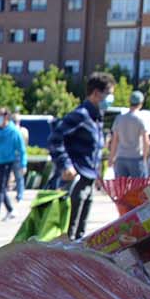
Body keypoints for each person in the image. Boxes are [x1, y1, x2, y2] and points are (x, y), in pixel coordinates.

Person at [48, 71, 115, 241]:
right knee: (68, 232)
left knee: (80, 233)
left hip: (89, 178)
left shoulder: (97, 118)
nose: (110, 99)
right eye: (109, 94)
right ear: (96, 93)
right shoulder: (81, 115)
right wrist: (65, 165)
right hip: (75, 180)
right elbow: (55, 139)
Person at [109, 90, 150, 178]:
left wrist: (111, 157)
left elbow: (115, 140)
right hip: (136, 158)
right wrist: (145, 158)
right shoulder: (142, 119)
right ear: (141, 103)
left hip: (121, 157)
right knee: (138, 189)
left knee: (121, 188)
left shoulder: (119, 118)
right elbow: (145, 141)